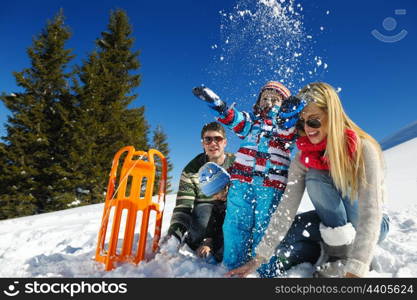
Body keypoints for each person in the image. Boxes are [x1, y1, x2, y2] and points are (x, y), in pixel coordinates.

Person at [227, 82, 390, 278]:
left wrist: (356, 268)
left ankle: (342, 257)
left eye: (314, 121)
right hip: (328, 221)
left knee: (316, 175)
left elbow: (370, 214)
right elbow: (286, 208)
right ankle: (325, 250)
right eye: (302, 122)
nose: (308, 128)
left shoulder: (363, 149)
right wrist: (259, 258)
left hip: (369, 222)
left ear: (333, 115)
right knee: (286, 237)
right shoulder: (303, 157)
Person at [192, 81, 306, 270]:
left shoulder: (285, 127)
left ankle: (264, 268)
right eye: (265, 98)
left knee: (266, 226)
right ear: (258, 102)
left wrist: (287, 115)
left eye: (276, 99)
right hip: (241, 183)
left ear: (284, 105)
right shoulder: (251, 122)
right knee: (235, 224)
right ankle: (232, 263)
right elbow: (234, 119)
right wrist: (219, 106)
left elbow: (287, 133)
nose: (269, 102)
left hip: (270, 185)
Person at [167, 122, 235, 251]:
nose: (213, 143)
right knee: (205, 210)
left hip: (231, 212)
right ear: (203, 144)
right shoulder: (191, 170)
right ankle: (199, 243)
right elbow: (184, 207)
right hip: (204, 217)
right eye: (208, 139)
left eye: (218, 139)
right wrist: (175, 235)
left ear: (225, 142)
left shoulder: (237, 164)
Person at [196, 162, 231, 263]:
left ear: (226, 185)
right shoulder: (218, 203)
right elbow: (213, 222)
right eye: (212, 195)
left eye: (216, 193)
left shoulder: (236, 198)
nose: (215, 197)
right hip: (223, 233)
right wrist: (208, 241)